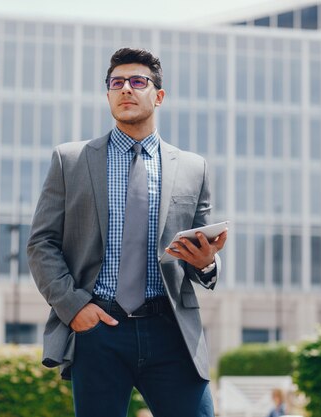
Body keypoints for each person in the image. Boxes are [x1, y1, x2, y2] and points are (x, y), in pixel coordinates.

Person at [27, 47, 227, 417]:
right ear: (108, 95)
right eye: (116, 83)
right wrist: (75, 309)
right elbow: (42, 243)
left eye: (138, 82)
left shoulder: (193, 168)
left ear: (159, 95)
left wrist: (206, 264)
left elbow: (203, 253)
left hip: (172, 330)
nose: (126, 90)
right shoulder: (70, 160)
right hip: (98, 328)